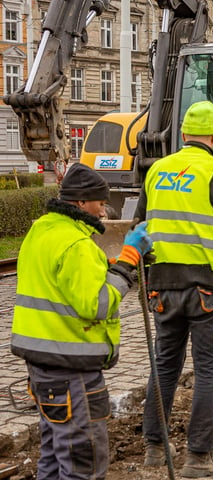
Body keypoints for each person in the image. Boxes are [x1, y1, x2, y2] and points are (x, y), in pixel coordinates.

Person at [136, 101, 213, 478]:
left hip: (163, 287)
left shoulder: (157, 171)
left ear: (184, 133)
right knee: (207, 370)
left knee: (165, 365)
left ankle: (155, 449)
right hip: (207, 290)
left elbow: (140, 226)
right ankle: (198, 457)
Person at [11, 163, 152, 479]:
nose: (104, 211)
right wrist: (128, 261)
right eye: (100, 203)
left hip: (41, 364)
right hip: (72, 369)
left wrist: (108, 266)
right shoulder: (77, 245)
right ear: (80, 202)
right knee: (82, 466)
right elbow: (97, 305)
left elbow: (62, 284)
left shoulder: (43, 231)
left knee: (51, 457)